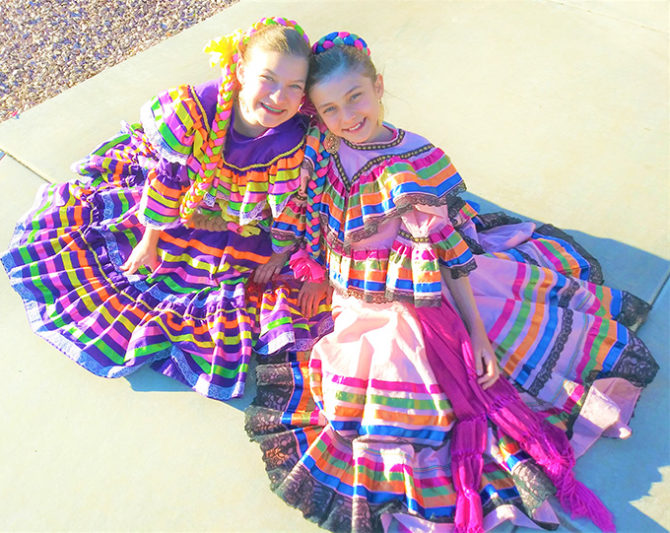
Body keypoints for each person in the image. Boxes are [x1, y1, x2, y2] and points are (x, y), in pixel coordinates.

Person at [245, 32, 658, 532]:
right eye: (329, 108)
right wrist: (300, 255)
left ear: (378, 85)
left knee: (398, 382)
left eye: (356, 96)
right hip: (352, 286)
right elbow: (306, 196)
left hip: (416, 290)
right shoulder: (327, 140)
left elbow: (446, 257)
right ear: (317, 114)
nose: (348, 116)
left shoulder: (409, 165)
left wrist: (478, 336)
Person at [1, 17, 331, 402]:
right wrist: (150, 238)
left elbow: (289, 203)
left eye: (294, 87)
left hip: (247, 222)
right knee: (123, 265)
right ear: (241, 70)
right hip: (186, 205)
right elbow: (169, 178)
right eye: (268, 79)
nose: (278, 97)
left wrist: (281, 252)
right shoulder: (196, 110)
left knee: (251, 292)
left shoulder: (292, 139)